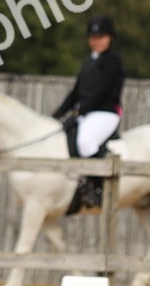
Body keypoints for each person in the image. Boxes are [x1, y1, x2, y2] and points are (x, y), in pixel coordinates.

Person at [52, 15, 124, 209]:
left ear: (110, 38)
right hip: (87, 112)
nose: (97, 41)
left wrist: (77, 113)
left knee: (85, 141)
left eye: (101, 37)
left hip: (106, 112)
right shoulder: (89, 61)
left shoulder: (113, 61)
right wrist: (57, 115)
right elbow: (76, 92)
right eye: (93, 37)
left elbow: (101, 91)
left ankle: (98, 188)